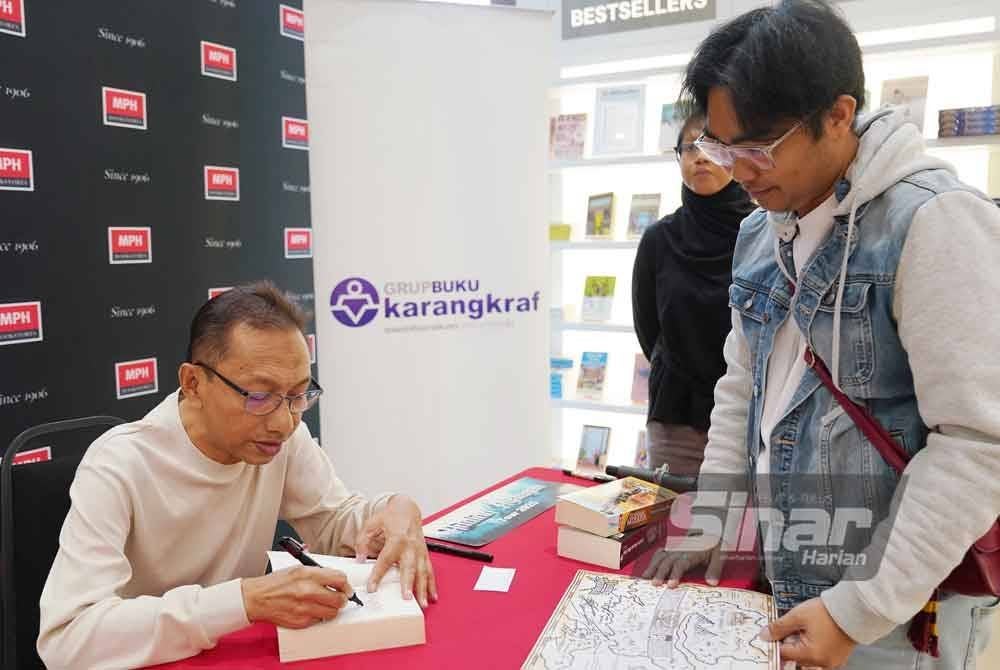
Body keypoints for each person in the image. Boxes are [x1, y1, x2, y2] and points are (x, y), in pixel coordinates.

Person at [642, 1, 1000, 668]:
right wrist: (718, 515)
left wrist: (859, 609)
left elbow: (976, 444)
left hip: (892, 612)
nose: (739, 169)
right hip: (779, 576)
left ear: (838, 115)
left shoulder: (935, 224)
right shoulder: (759, 231)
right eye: (722, 145)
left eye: (758, 146)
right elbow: (741, 385)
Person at [37, 282, 438, 669]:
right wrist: (244, 601)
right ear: (193, 383)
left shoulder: (282, 435)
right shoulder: (118, 465)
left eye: (299, 394)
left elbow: (333, 522)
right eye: (259, 396)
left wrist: (392, 510)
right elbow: (67, 639)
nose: (284, 422)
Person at [632, 110, 754, 475]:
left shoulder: (762, 233)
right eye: (689, 148)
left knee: (741, 528)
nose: (699, 156)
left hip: (747, 414)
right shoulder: (659, 239)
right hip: (677, 415)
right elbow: (648, 329)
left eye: (712, 146)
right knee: (674, 526)